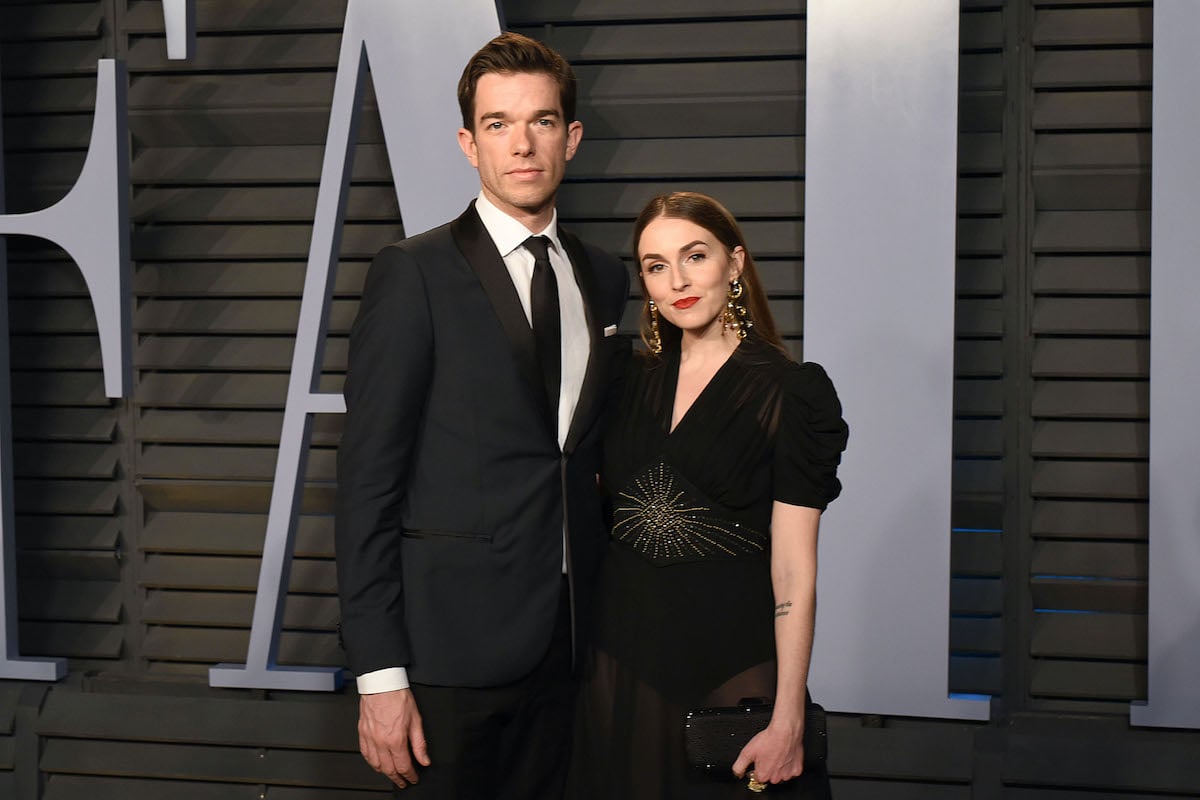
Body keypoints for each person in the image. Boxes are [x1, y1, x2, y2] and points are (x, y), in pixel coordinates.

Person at [335, 32, 630, 799]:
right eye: (498, 123)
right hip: (448, 657)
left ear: (571, 138)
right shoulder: (413, 274)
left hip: (572, 646)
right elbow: (367, 483)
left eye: (541, 121)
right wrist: (380, 676)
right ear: (469, 143)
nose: (522, 144)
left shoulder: (603, 276)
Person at [571, 192, 848, 799]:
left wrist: (789, 713)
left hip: (730, 662)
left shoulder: (792, 394)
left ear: (735, 262)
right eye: (656, 265)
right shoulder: (622, 381)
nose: (678, 281)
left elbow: (794, 566)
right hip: (618, 659)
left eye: (695, 256)